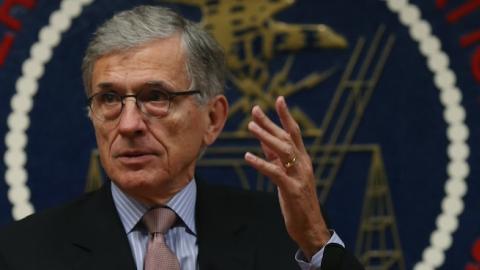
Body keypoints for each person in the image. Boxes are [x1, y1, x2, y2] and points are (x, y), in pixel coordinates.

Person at [0, 5, 363, 270]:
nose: (128, 125)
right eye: (109, 99)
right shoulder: (24, 253)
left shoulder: (284, 237)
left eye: (156, 97)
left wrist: (315, 240)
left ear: (213, 118)